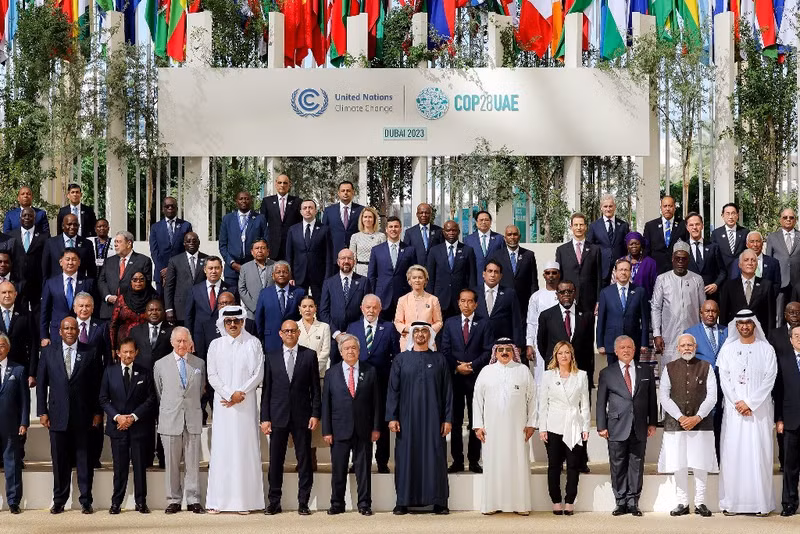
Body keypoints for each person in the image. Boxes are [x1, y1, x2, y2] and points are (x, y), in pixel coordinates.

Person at [37, 317, 103, 514]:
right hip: (57, 416)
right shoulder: (48, 353)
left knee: (84, 460)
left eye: (73, 328)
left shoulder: (89, 352)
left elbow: (96, 386)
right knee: (59, 461)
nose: (70, 331)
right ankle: (59, 500)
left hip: (83, 416)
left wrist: (97, 412)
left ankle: (86, 500)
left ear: (77, 331)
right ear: (60, 331)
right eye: (66, 328)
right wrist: (42, 411)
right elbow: (41, 385)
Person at [387, 322, 452, 515]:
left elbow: (447, 391)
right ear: (412, 335)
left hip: (434, 419)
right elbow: (393, 391)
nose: (421, 335)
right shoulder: (400, 360)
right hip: (407, 420)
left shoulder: (439, 359)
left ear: (430, 335)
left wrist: (447, 419)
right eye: (417, 331)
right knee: (406, 457)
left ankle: (439, 501)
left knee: (436, 457)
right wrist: (392, 417)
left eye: (425, 331)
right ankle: (403, 501)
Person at [205, 306, 265, 514]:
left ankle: (245, 502)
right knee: (223, 451)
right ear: (223, 322)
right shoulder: (215, 345)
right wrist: (229, 394)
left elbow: (258, 373)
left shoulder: (253, 343)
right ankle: (218, 501)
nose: (232, 324)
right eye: (228, 321)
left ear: (242, 322)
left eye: (236, 321)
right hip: (223, 405)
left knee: (243, 450)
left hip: (246, 404)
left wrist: (240, 393)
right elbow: (212, 375)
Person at [717, 310, 777, 516]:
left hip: (759, 412)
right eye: (740, 323)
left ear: (754, 325)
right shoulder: (727, 349)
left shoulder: (766, 349)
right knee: (734, 454)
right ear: (736, 325)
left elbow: (770, 379)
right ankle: (732, 504)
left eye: (748, 323)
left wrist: (750, 402)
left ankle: (760, 504)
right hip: (735, 413)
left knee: (759, 455)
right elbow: (724, 379)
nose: (744, 326)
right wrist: (738, 402)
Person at [261, 320, 321, 516]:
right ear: (280, 333)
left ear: (298, 333)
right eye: (286, 331)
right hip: (277, 416)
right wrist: (265, 418)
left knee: (304, 461)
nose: (289, 333)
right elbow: (267, 391)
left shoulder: (309, 355)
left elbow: (315, 389)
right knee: (275, 461)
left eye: (293, 331)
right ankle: (274, 502)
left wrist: (315, 413)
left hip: (302, 416)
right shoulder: (271, 357)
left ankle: (303, 502)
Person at [473, 339, 536, 515]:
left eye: (508, 349)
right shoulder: (486, 371)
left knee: (518, 465)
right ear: (495, 352)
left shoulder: (522, 370)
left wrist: (531, 424)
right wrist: (478, 425)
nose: (504, 352)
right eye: (500, 350)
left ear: (513, 351)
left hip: (518, 430)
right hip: (492, 430)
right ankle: (491, 505)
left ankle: (520, 505)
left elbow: (533, 400)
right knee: (493, 464)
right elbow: (477, 400)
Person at [657, 334, 718, 517]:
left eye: (689, 345)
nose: (686, 348)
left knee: (700, 464)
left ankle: (700, 502)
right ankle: (682, 502)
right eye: (683, 345)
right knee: (679, 463)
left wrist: (697, 417)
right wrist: (680, 417)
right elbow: (664, 396)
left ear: (695, 346)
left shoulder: (707, 367)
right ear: (678, 348)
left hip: (701, 424)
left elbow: (712, 397)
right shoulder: (669, 368)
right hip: (676, 425)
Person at [596, 335, 657, 517]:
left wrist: (652, 422)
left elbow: (652, 400)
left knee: (636, 465)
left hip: (639, 426)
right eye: (622, 347)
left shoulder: (645, 371)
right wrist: (601, 425)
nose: (626, 350)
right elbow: (601, 403)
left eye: (629, 347)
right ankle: (620, 501)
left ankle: (633, 502)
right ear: (616, 351)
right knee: (618, 465)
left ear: (635, 349)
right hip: (616, 426)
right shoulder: (607, 373)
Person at [322, 334, 381, 516]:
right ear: (340, 352)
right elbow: (326, 405)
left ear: (359, 351)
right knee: (338, 469)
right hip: (339, 430)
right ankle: (337, 503)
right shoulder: (331, 373)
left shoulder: (370, 371)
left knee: (363, 470)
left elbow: (376, 402)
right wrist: (327, 431)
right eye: (346, 348)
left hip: (363, 429)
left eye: (354, 348)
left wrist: (376, 427)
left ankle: (364, 504)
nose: (350, 351)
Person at [99, 337, 158, 515]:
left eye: (131, 352)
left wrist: (133, 417)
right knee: (120, 468)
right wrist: (118, 417)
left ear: (136, 353)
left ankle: (141, 502)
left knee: (140, 467)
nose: (128, 355)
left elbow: (151, 399)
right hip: (118, 428)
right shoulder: (109, 372)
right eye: (124, 352)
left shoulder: (144, 372)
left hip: (138, 427)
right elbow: (103, 398)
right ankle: (116, 502)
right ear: (118, 353)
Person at [153, 327, 206, 514]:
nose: (182, 345)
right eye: (178, 341)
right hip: (170, 419)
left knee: (192, 462)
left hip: (192, 417)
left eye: (185, 341)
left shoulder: (199, 363)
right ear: (172, 342)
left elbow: (200, 390)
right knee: (172, 463)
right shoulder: (160, 364)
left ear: (190, 342)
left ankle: (193, 499)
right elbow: (160, 391)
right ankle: (173, 499)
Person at [441, 288, 493, 474]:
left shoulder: (484, 323)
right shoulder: (450, 323)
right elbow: (445, 349)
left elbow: (488, 350)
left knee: (475, 420)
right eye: (463, 301)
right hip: (455, 379)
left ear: (476, 304)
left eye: (470, 301)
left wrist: (471, 365)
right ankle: (456, 460)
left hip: (475, 378)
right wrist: (457, 367)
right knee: (454, 420)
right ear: (458, 302)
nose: (466, 304)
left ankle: (473, 460)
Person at [535, 341, 590, 515]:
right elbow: (543, 404)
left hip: (574, 425)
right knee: (554, 466)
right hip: (553, 426)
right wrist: (542, 427)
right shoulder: (547, 376)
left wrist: (585, 426)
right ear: (555, 356)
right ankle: (556, 500)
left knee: (573, 465)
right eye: (560, 353)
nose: (564, 356)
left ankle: (570, 501)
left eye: (567, 352)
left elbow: (585, 405)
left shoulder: (581, 375)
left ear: (571, 355)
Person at [346, 294, 399, 473]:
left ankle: (382, 461)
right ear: (362, 308)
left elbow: (396, 356)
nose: (371, 310)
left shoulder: (389, 327)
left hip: (382, 383)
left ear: (380, 308)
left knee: (382, 422)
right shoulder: (352, 327)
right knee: (358, 421)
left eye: (374, 307)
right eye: (367, 307)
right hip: (358, 383)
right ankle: (358, 461)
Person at [651, 241, 706, 371]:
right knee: (669, 372)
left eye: (684, 259)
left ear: (688, 260)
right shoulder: (662, 279)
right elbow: (656, 307)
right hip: (668, 335)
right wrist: (657, 334)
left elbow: (702, 308)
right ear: (672, 259)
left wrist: (703, 334)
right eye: (677, 258)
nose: (680, 261)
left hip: (692, 334)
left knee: (692, 371)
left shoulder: (697, 280)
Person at [319, 249, 371, 365]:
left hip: (357, 336)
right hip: (335, 337)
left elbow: (367, 310)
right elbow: (323, 311)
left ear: (355, 261)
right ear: (338, 262)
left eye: (349, 258)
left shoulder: (363, 282)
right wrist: (336, 334)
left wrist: (354, 331)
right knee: (335, 371)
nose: (346, 261)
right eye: (343, 258)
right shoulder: (329, 283)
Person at [298, 296, 331, 470]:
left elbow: (325, 352)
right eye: (304, 306)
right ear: (299, 309)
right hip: (298, 381)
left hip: (318, 378)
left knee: (315, 416)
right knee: (300, 418)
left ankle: (313, 456)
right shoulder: (294, 327)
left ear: (316, 308)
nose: (308, 309)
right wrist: (302, 374)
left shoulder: (324, 327)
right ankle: (302, 457)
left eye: (311, 306)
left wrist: (311, 372)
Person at [596, 258, 650, 365]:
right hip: (612, 344)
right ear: (615, 272)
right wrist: (600, 344)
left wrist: (644, 343)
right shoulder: (605, 293)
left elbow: (644, 320)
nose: (623, 272)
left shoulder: (640, 292)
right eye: (620, 270)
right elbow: (601, 320)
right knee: (614, 375)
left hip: (633, 343)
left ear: (630, 272)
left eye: (626, 270)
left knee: (633, 375)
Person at [40, 249, 96, 344]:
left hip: (81, 331)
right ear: (61, 262)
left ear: (79, 262)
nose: (70, 262)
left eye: (74, 259)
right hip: (57, 331)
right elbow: (45, 311)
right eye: (67, 259)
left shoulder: (88, 282)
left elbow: (95, 308)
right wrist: (44, 336)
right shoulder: (51, 283)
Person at [0, 333, 29, 514]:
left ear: (8, 348)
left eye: (2, 345)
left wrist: (24, 422)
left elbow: (25, 400)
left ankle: (13, 501)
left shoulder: (18, 370)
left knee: (12, 464)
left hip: (11, 424)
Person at [769, 301, 800, 472]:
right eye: (791, 312)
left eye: (798, 312)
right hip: (781, 387)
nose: (795, 315)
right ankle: (783, 461)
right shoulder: (775, 334)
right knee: (784, 432)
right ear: (785, 315)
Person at [425, 220, 477, 319]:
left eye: (454, 230)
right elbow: (430, 278)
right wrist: (429, 298)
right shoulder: (434, 251)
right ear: (443, 232)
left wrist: (470, 298)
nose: (451, 233)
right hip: (440, 299)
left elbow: (472, 277)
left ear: (459, 232)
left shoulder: (468, 250)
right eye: (448, 230)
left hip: (461, 300)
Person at [98, 231, 154, 320]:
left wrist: (124, 300)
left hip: (132, 309)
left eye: (119, 242)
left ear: (129, 243)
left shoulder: (143, 261)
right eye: (115, 242)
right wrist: (108, 296)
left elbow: (145, 284)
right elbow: (101, 281)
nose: (115, 245)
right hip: (109, 310)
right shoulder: (109, 261)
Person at [719, 249, 776, 336]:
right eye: (746, 260)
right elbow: (724, 315)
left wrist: (770, 338)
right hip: (735, 335)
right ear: (740, 264)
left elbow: (771, 316)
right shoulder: (729, 285)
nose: (750, 263)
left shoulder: (766, 285)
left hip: (759, 335)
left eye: (753, 260)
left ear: (756, 265)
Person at [775, 324, 800, 516]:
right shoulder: (782, 361)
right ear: (790, 339)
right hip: (791, 421)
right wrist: (779, 419)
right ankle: (789, 504)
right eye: (796, 336)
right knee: (790, 467)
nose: (799, 338)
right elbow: (779, 392)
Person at [368, 216, 414, 321]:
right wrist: (373, 295)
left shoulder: (409, 250)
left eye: (396, 227)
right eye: (391, 227)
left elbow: (413, 275)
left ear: (401, 229)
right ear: (386, 229)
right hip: (382, 297)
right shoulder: (376, 250)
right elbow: (372, 275)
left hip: (403, 296)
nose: (393, 229)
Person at [218, 191, 267, 288]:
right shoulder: (227, 219)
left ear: (251, 201)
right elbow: (222, 245)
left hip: (254, 267)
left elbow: (265, 242)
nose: (244, 201)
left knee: (253, 299)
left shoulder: (260, 218)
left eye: (247, 198)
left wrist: (258, 261)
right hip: (232, 269)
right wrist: (232, 263)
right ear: (236, 201)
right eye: (241, 199)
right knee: (232, 299)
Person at [488, 224, 539, 317]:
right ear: (504, 238)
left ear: (519, 237)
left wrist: (534, 300)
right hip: (503, 301)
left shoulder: (529, 255)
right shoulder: (497, 256)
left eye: (515, 234)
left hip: (524, 302)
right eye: (509, 234)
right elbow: (494, 279)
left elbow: (533, 281)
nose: (512, 237)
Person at [555, 213, 602, 314]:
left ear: (586, 227)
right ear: (571, 227)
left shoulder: (595, 249)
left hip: (589, 300)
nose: (579, 228)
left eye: (581, 225)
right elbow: (559, 276)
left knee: (588, 328)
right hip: (568, 298)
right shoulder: (561, 250)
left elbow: (598, 276)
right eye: (576, 225)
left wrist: (598, 300)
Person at [255, 261, 305, 352]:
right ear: (273, 275)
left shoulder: (299, 292)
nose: (281, 274)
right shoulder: (264, 293)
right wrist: (260, 340)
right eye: (278, 272)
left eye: (285, 272)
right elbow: (259, 319)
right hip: (270, 340)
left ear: (290, 275)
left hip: (293, 340)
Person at [477, 260, 525, 353]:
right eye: (490, 271)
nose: (492, 275)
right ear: (483, 274)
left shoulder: (509, 293)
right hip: (479, 343)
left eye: (496, 272)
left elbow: (516, 320)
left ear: (500, 276)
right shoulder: (474, 293)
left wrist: (518, 344)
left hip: (502, 344)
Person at [286, 199, 331, 299]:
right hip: (298, 276)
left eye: (310, 208)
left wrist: (327, 277)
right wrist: (290, 276)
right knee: (298, 305)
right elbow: (289, 255)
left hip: (319, 275)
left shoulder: (325, 229)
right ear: (301, 211)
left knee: (320, 304)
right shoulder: (293, 230)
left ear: (315, 211)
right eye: (305, 208)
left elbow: (329, 255)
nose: (307, 210)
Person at [526, 261, 561, 385]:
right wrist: (529, 344)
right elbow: (531, 322)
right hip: (540, 342)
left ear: (559, 275)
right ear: (544, 275)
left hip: (560, 343)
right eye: (548, 273)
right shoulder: (536, 297)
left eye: (554, 273)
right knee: (540, 379)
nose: (551, 275)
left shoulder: (564, 295)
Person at [9, 207, 48, 318]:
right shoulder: (12, 236)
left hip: (37, 284)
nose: (27, 218)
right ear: (20, 218)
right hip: (17, 282)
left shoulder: (44, 237)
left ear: (34, 218)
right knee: (17, 316)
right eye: (24, 215)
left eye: (30, 216)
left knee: (37, 317)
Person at [394, 265, 443, 350]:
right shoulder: (402, 300)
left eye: (420, 277)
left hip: (427, 342)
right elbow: (398, 322)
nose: (417, 280)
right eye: (414, 278)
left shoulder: (433, 300)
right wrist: (412, 330)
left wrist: (426, 331)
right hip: (407, 342)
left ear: (425, 280)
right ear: (409, 281)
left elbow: (439, 322)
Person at [149, 197, 192, 293]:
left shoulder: (186, 226)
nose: (170, 208)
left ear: (177, 208)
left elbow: (188, 250)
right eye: (167, 206)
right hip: (161, 274)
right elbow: (154, 251)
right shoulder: (155, 227)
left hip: (180, 273)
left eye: (172, 206)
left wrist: (172, 269)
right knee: (162, 305)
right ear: (162, 209)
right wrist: (164, 271)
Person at [164, 231, 207, 326]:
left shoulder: (206, 259)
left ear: (199, 243)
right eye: (188, 241)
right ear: (184, 243)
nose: (191, 243)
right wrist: (169, 309)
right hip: (180, 309)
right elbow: (169, 286)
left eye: (194, 241)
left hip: (202, 307)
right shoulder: (174, 261)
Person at [587, 194, 631, 285]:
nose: (608, 209)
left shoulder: (623, 225)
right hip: (601, 269)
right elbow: (589, 248)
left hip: (619, 269)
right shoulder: (594, 226)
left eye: (610, 206)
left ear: (615, 207)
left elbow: (627, 247)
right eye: (605, 206)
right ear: (601, 208)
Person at [322, 181, 364, 273]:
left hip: (354, 257)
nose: (345, 193)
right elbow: (324, 233)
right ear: (339, 193)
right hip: (334, 256)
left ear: (353, 192)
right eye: (343, 190)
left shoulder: (361, 210)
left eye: (348, 190)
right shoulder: (329, 211)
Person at [184, 256, 229, 343]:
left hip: (223, 337)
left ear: (222, 269)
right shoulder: (194, 290)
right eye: (210, 268)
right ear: (205, 270)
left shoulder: (231, 289)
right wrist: (188, 339)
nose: (213, 271)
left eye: (216, 268)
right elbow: (189, 316)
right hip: (200, 337)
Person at [0, 281, 37, 385]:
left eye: (10, 292)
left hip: (20, 368)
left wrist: (32, 373)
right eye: (3, 292)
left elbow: (33, 345)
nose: (7, 295)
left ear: (15, 294)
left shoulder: (26, 315)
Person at [767, 208, 800, 323]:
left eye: (791, 217)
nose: (788, 220)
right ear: (780, 220)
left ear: (795, 220)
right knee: (779, 316)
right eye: (785, 217)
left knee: (797, 315)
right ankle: (779, 340)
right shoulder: (772, 237)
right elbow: (769, 262)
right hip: (780, 283)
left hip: (797, 283)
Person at [110, 271, 157, 349]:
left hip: (147, 343)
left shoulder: (153, 298)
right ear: (130, 281)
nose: (138, 282)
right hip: (125, 342)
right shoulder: (122, 298)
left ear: (146, 281)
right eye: (135, 280)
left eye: (141, 280)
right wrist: (112, 348)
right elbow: (113, 324)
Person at [260, 174, 302, 261]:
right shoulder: (267, 201)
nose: (282, 185)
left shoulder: (297, 201)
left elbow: (300, 224)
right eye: (280, 182)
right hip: (272, 247)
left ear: (289, 185)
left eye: (285, 183)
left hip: (291, 246)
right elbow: (262, 224)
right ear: (276, 184)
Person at [41, 213, 96, 280]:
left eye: (75, 225)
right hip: (56, 286)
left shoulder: (87, 244)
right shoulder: (50, 243)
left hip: (79, 286)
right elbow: (45, 269)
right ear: (63, 226)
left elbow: (91, 270)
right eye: (69, 224)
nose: (72, 227)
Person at [685, 212, 726, 299]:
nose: (695, 227)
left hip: (710, 296)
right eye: (691, 225)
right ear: (687, 228)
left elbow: (723, 271)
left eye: (697, 224)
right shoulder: (683, 248)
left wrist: (716, 284)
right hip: (689, 295)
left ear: (702, 226)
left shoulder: (713, 247)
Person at [643, 195, 688, 274]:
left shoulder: (683, 225)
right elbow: (646, 250)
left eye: (670, 206)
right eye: (665, 206)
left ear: (674, 207)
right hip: (656, 270)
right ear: (661, 208)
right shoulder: (650, 226)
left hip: (677, 270)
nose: (667, 209)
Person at [730, 231, 781, 297]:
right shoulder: (738, 262)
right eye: (752, 241)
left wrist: (768, 299)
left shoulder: (773, 263)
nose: (755, 245)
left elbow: (776, 285)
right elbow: (734, 283)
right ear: (747, 244)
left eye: (758, 241)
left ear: (762, 243)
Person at [129, 299, 173, 371]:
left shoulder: (172, 331)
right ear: (145, 313)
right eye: (151, 310)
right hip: (141, 373)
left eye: (158, 310)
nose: (154, 313)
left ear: (164, 312)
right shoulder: (135, 331)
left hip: (164, 372)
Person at [238, 238, 275, 319]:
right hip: (252, 312)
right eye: (257, 248)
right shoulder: (245, 268)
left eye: (263, 248)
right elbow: (242, 289)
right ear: (252, 252)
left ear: (268, 251)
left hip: (272, 310)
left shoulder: (275, 266)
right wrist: (255, 308)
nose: (260, 251)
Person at [618, 231, 658, 299]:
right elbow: (614, 283)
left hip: (644, 301)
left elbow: (656, 286)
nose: (634, 246)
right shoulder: (620, 262)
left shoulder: (651, 263)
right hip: (624, 302)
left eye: (637, 243)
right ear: (627, 246)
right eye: (631, 244)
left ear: (641, 245)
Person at [711, 202, 750, 272]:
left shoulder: (745, 232)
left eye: (733, 213)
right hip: (722, 273)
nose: (730, 217)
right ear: (722, 216)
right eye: (727, 213)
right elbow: (713, 256)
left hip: (741, 273)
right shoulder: (716, 233)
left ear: (737, 216)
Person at [349, 206, 386, 276]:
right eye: (365, 217)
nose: (367, 219)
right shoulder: (355, 237)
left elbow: (383, 258)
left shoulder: (381, 236)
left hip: (376, 271)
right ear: (362, 219)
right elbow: (352, 257)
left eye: (370, 217)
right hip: (359, 271)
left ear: (374, 219)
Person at [464, 210, 502, 276]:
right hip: (476, 278)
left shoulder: (499, 238)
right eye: (481, 220)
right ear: (476, 222)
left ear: (490, 222)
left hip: (494, 278)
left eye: (486, 220)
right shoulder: (468, 240)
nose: (483, 222)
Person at [404, 202, 443, 266]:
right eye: (421, 213)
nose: (424, 215)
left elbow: (442, 251)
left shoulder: (439, 231)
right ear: (417, 214)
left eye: (427, 213)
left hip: (434, 269)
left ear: (431, 214)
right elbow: (406, 253)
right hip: (417, 270)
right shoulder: (409, 232)